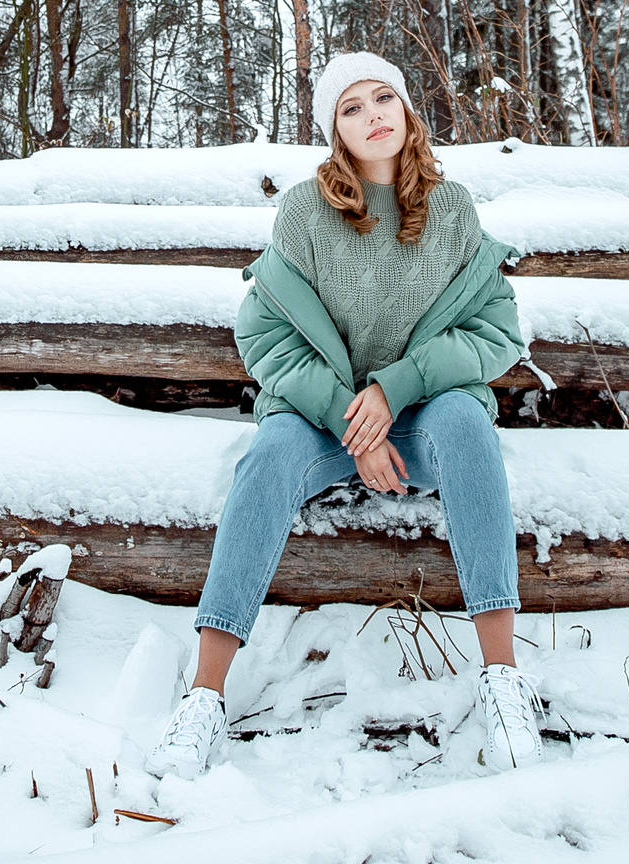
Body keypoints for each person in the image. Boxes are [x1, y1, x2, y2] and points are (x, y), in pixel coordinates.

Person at [144, 52, 544, 778]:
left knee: (466, 426)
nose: (373, 116)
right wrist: (347, 420)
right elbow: (263, 335)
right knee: (265, 457)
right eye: (352, 107)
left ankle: (503, 679)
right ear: (335, 130)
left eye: (384, 97)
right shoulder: (304, 210)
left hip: (423, 418)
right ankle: (204, 698)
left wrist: (398, 386)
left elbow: (497, 331)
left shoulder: (452, 211)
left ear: (407, 109)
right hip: (318, 421)